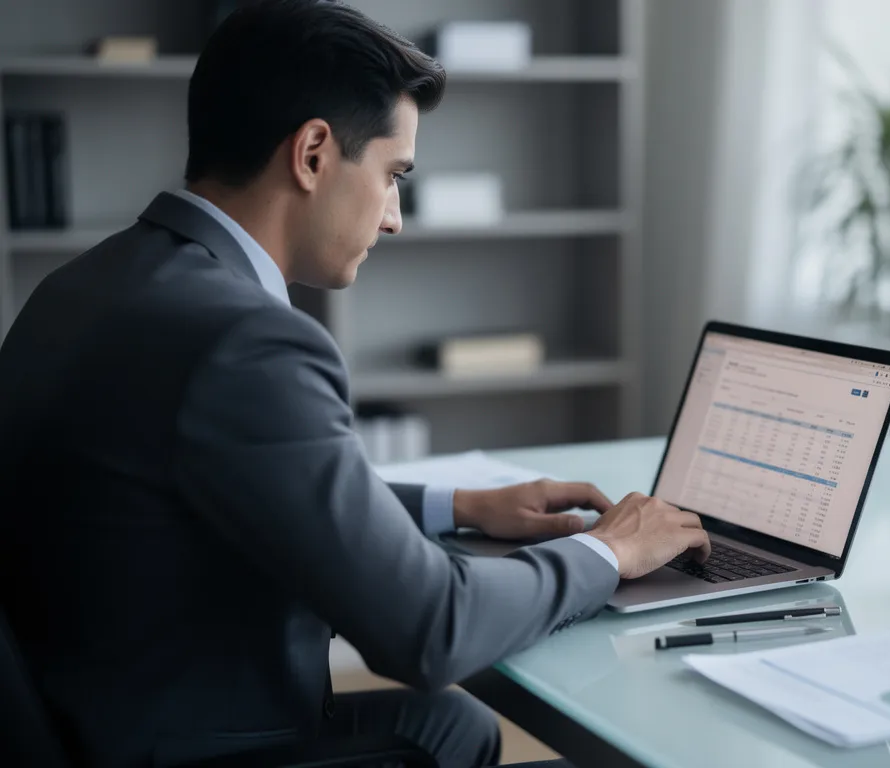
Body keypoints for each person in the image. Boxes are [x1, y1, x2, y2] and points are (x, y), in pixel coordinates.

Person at [0, 1, 710, 766]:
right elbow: (432, 632)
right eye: (392, 175)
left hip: (82, 709)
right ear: (311, 154)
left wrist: (457, 507)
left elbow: (227, 485)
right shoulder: (248, 341)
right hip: (179, 745)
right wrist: (609, 553)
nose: (395, 218)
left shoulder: (84, 284)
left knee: (451, 729)